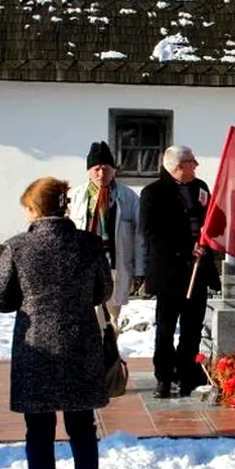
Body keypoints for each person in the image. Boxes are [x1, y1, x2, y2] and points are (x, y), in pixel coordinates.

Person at [0, 177, 111, 469]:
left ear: (34, 209)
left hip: (36, 348)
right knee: (83, 428)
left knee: (39, 431)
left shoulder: (18, 247)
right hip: (80, 344)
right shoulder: (89, 245)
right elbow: (103, 291)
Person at [140, 145, 218, 398]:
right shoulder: (153, 193)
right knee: (166, 327)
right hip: (169, 272)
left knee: (192, 326)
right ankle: (164, 376)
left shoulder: (200, 187)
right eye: (192, 161)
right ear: (178, 166)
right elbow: (151, 232)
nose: (196, 165)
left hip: (198, 270)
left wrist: (212, 230)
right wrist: (186, 247)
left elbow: (212, 220)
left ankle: (187, 372)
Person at [70, 141, 145, 329]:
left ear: (114, 170)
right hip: (85, 264)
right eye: (96, 169)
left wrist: (140, 270)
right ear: (89, 171)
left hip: (115, 264)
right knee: (90, 315)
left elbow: (140, 236)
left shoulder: (129, 197)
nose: (101, 174)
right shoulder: (75, 196)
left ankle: (111, 345)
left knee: (113, 317)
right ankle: (96, 346)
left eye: (106, 169)